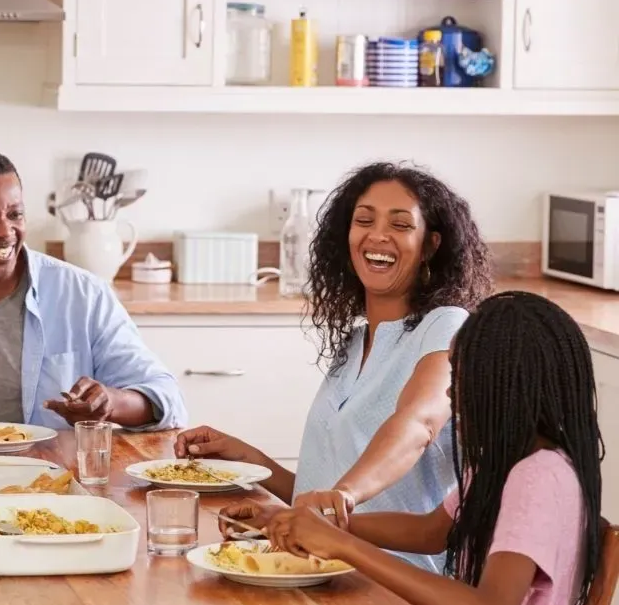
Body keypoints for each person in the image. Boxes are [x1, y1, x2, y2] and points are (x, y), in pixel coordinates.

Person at [252, 293, 604, 605]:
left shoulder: (539, 478)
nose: (453, 398)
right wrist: (322, 524)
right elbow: (433, 531)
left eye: (461, 381)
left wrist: (344, 545)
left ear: (506, 385)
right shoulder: (505, 462)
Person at [176, 161, 492, 571]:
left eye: (400, 225)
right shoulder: (356, 342)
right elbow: (322, 500)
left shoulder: (446, 326)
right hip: (326, 568)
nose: (377, 235)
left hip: (396, 585)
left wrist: (343, 495)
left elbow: (420, 423)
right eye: (364, 220)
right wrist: (249, 461)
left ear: (431, 245)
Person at [0, 149, 187, 430]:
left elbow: (167, 398)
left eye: (15, 214)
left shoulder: (83, 294)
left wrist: (110, 403)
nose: (4, 231)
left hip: (49, 472)